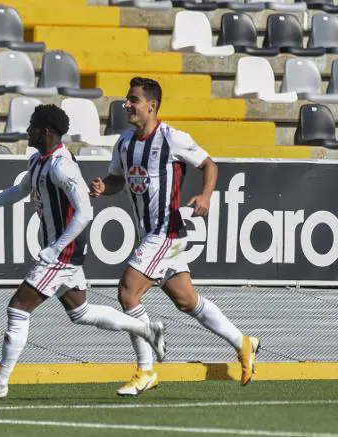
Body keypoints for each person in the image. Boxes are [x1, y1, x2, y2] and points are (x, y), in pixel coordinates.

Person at [0, 104, 166, 403]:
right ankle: (146, 328)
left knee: (18, 307)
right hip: (62, 251)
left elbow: (84, 213)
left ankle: (0, 382)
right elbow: (18, 191)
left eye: (32, 126)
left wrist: (57, 248)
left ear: (45, 131)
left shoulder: (62, 166)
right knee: (80, 313)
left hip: (63, 251)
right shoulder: (38, 161)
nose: (28, 131)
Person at [90, 77, 260, 396]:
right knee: (187, 301)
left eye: (133, 100)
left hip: (165, 232)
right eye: (128, 100)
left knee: (128, 294)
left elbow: (209, 165)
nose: (127, 105)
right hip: (150, 234)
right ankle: (243, 342)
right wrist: (104, 188)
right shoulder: (124, 143)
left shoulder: (172, 138)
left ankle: (144, 371)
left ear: (151, 106)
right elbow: (117, 181)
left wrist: (206, 196)